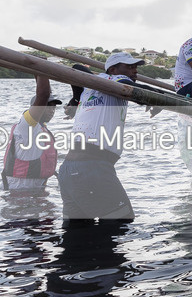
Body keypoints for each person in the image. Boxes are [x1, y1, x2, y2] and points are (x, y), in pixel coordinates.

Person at [57, 51, 143, 219]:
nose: (135, 72)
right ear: (113, 70)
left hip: (68, 170)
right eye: (130, 67)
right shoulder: (118, 81)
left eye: (136, 68)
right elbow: (140, 92)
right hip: (92, 169)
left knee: (77, 237)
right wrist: (157, 101)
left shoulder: (89, 86)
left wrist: (75, 99)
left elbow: (76, 67)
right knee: (121, 224)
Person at [2, 77, 63, 196]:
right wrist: (41, 69)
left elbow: (47, 93)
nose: (52, 111)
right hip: (18, 190)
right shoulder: (27, 126)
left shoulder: (42, 128)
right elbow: (43, 94)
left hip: (37, 190)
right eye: (47, 106)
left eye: (53, 107)